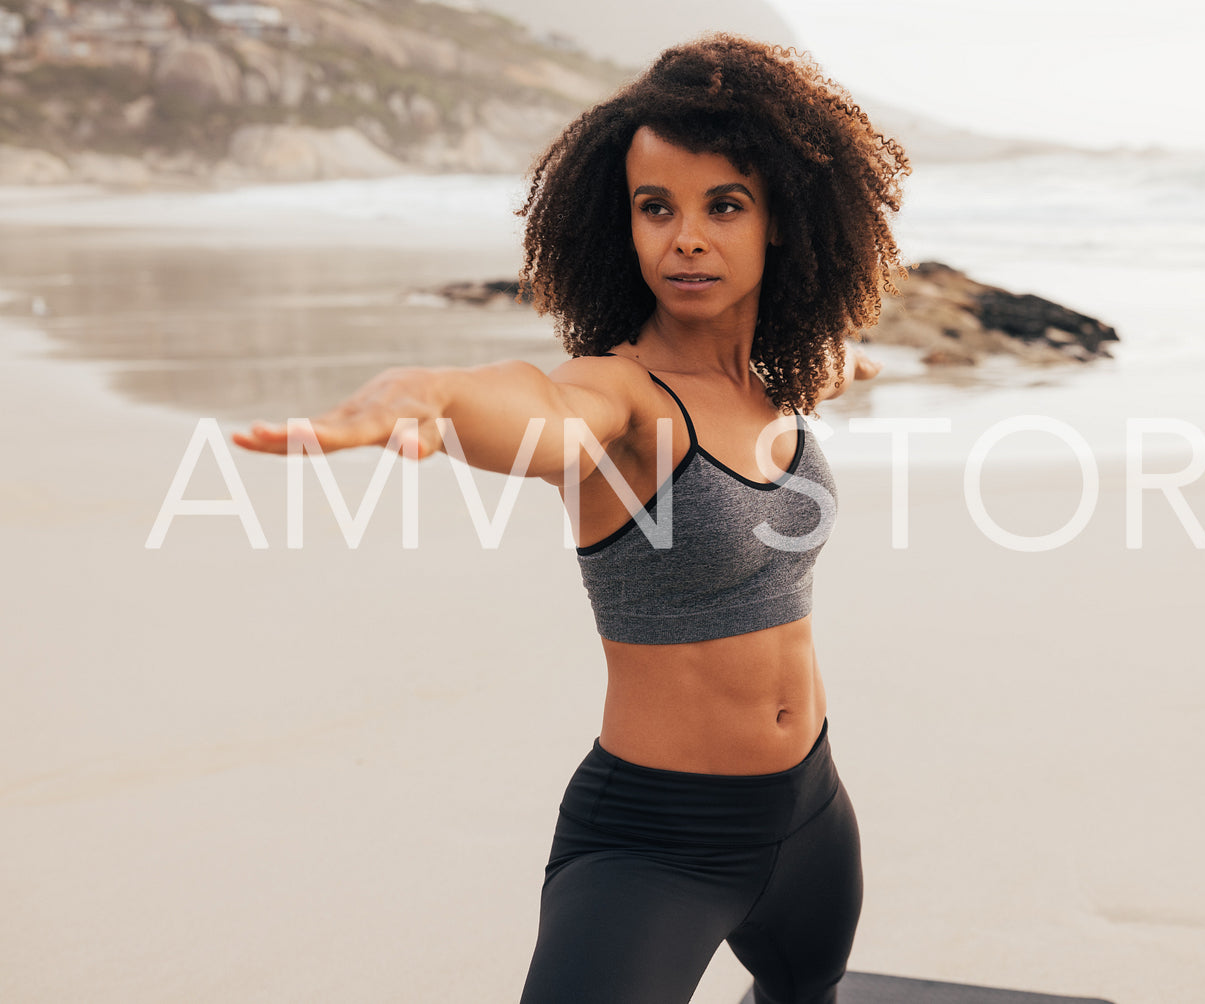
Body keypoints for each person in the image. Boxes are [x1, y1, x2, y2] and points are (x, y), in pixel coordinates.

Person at [234, 34, 908, 1004]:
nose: (685, 236)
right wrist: (424, 393)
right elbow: (535, 408)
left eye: (724, 205)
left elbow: (831, 361)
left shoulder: (774, 379)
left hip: (810, 807)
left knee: (805, 994)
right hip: (657, 842)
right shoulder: (620, 398)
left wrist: (848, 353)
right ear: (618, 223)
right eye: (654, 207)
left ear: (783, 223)